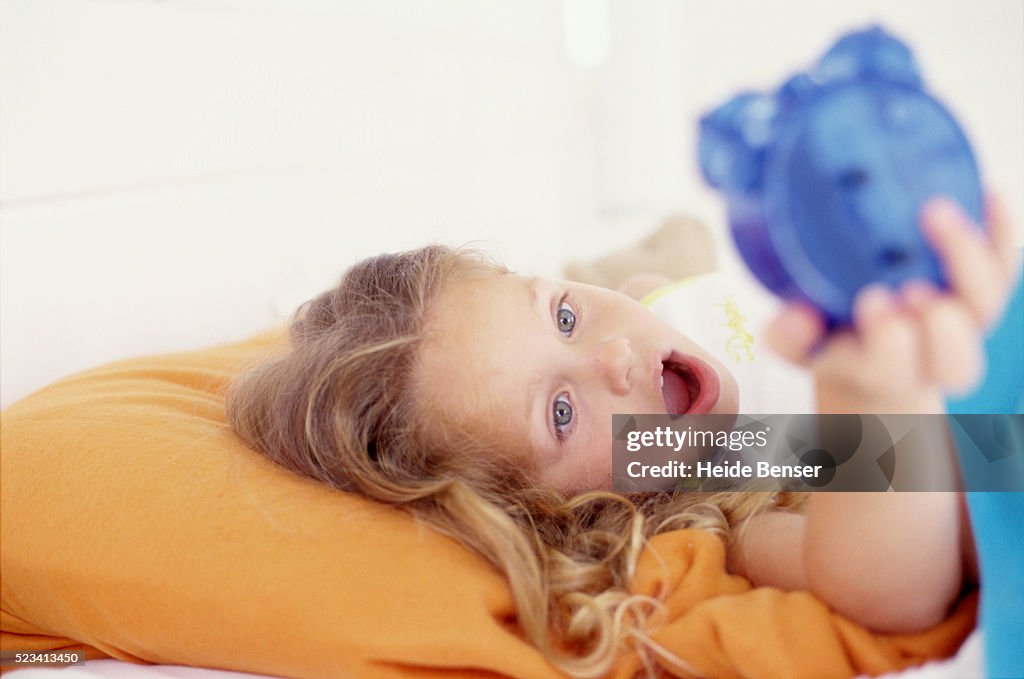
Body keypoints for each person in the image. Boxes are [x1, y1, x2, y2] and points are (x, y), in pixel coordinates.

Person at [226, 195, 1018, 677]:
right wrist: (871, 390)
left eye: (562, 314)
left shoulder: (647, 309)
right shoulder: (714, 482)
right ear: (563, 510)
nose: (609, 356)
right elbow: (896, 588)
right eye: (560, 413)